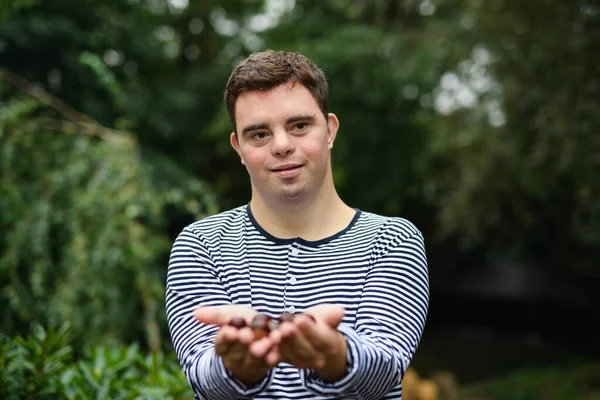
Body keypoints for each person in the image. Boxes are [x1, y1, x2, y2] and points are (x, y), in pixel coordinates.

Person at [165, 50, 429, 399]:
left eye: (299, 125)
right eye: (259, 134)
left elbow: (385, 370)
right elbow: (202, 375)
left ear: (330, 130)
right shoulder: (199, 245)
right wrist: (235, 367)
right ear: (238, 149)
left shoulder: (393, 240)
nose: (283, 145)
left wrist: (336, 355)